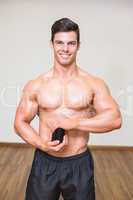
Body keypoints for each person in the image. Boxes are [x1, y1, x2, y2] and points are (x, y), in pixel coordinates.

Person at [14, 18, 122, 200]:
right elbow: (19, 123)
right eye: (60, 43)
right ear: (51, 44)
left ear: (78, 46)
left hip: (78, 163)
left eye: (71, 43)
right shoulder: (37, 85)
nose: (65, 49)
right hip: (45, 162)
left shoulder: (93, 83)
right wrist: (41, 143)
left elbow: (115, 119)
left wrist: (76, 122)